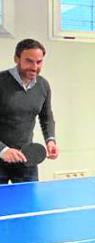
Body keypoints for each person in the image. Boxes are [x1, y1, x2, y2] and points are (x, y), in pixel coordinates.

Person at [0, 38, 59, 184]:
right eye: (29, 61)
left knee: (29, 205)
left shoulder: (43, 85)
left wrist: (50, 140)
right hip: (0, 154)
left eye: (39, 62)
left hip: (26, 158)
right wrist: (3, 150)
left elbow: (46, 116)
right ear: (16, 59)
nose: (34, 67)